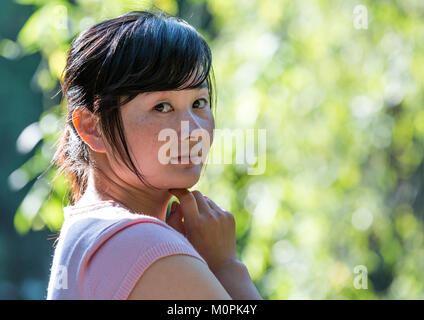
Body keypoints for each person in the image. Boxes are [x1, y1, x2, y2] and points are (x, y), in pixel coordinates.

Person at [46, 9, 262, 300]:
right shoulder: (143, 245)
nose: (193, 130)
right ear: (91, 127)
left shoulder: (87, 234)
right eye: (162, 107)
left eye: (199, 102)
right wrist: (226, 266)